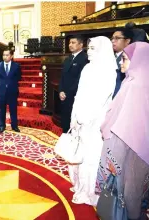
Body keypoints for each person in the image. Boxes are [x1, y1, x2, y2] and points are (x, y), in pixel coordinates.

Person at [97, 42, 149, 220]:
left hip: (130, 151)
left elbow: (125, 126)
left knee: (129, 196)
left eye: (125, 59)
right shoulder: (136, 81)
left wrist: (113, 159)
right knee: (136, 195)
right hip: (141, 149)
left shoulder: (135, 86)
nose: (121, 62)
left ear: (139, 61)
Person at [68, 36, 117, 205]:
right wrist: (74, 116)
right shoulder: (87, 68)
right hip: (81, 118)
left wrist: (84, 118)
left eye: (93, 48)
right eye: (89, 48)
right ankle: (80, 186)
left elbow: (100, 100)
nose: (89, 51)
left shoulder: (109, 70)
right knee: (79, 153)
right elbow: (79, 95)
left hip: (95, 121)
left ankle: (90, 192)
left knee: (91, 155)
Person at [59, 35, 88, 133]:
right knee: (65, 120)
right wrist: (61, 90)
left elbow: (80, 79)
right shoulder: (68, 58)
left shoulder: (85, 58)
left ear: (81, 44)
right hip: (64, 95)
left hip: (75, 95)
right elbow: (62, 76)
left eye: (73, 43)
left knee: (74, 122)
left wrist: (68, 92)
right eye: (69, 43)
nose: (70, 45)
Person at [0, 48, 22, 133]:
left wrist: (11, 83)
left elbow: (19, 77)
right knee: (1, 109)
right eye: (4, 55)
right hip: (2, 91)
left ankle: (14, 126)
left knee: (13, 109)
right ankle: (2, 126)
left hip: (12, 91)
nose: (5, 57)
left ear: (11, 56)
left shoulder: (16, 66)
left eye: (7, 55)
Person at [111, 25, 132, 98]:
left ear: (127, 41)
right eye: (112, 38)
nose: (113, 41)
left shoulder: (130, 59)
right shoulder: (109, 57)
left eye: (117, 38)